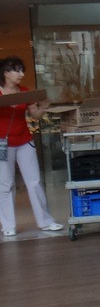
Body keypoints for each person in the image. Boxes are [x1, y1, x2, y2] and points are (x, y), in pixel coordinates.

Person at [0, 56, 64, 236]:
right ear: (6, 73)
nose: (21, 74)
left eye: (22, 70)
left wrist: (43, 106)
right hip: (2, 143)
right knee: (5, 184)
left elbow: (35, 115)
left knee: (34, 182)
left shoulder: (25, 92)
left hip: (24, 141)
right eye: (17, 71)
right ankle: (8, 226)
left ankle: (46, 222)